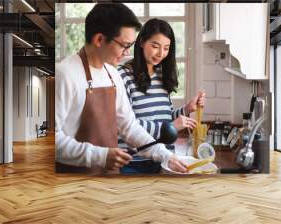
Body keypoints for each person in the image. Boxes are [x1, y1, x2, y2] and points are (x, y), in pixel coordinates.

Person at [55, 4, 187, 174]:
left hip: (109, 178)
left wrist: (164, 155)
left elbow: (129, 126)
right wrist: (100, 156)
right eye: (124, 45)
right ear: (99, 40)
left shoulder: (112, 74)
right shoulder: (66, 74)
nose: (127, 53)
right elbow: (53, 141)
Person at [117, 18, 206, 174]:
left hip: (163, 160)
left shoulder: (161, 75)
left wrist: (186, 109)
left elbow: (164, 116)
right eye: (155, 46)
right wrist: (170, 128)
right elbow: (127, 125)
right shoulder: (123, 75)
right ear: (141, 42)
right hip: (133, 162)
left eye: (166, 48)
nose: (161, 54)